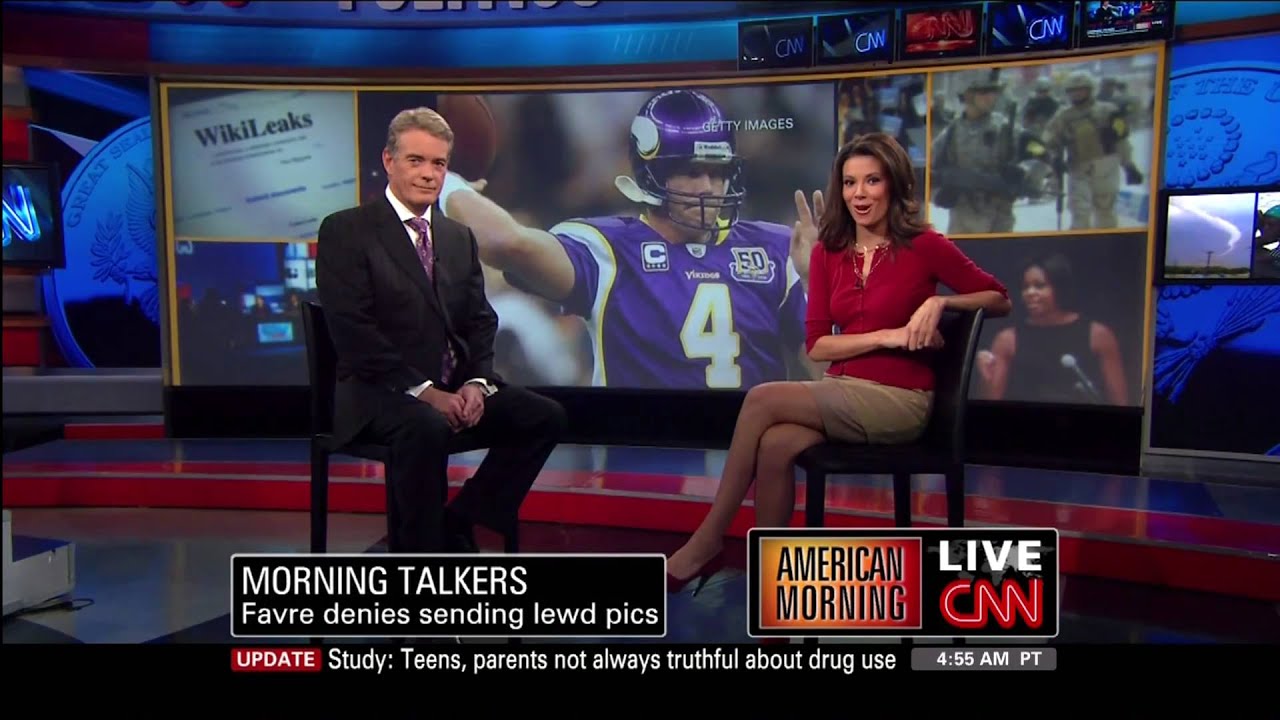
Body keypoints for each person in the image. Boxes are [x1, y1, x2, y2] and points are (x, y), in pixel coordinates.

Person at [665, 132, 1012, 591]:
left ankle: (708, 539)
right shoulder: (828, 253)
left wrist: (942, 303)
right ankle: (768, 574)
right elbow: (818, 346)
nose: (859, 194)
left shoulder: (923, 245)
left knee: (763, 399)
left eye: (872, 181)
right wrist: (886, 334)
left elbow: (998, 297)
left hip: (900, 400)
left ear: (894, 184)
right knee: (776, 445)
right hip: (843, 390)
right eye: (850, 183)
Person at [438, 88, 823, 389]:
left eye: (718, 171)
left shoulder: (778, 250)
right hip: (643, 457)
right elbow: (507, 244)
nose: (708, 187)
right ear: (652, 173)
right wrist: (443, 180)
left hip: (751, 461)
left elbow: (831, 379)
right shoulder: (607, 248)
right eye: (692, 171)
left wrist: (817, 286)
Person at [316, 107, 567, 554]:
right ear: (389, 160)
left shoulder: (456, 237)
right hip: (380, 394)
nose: (429, 174)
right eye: (416, 160)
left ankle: (457, 522)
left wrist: (477, 382)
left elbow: (480, 319)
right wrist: (427, 392)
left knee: (542, 416)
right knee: (426, 427)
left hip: (454, 390)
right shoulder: (346, 231)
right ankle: (421, 560)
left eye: (439, 163)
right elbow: (354, 332)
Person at [976, 253, 1128, 405]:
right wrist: (986, 376)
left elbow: (1120, 402)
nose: (1030, 293)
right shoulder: (1008, 339)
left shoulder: (1097, 335)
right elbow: (990, 403)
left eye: (1039, 286)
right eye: (1025, 287)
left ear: (1059, 287)